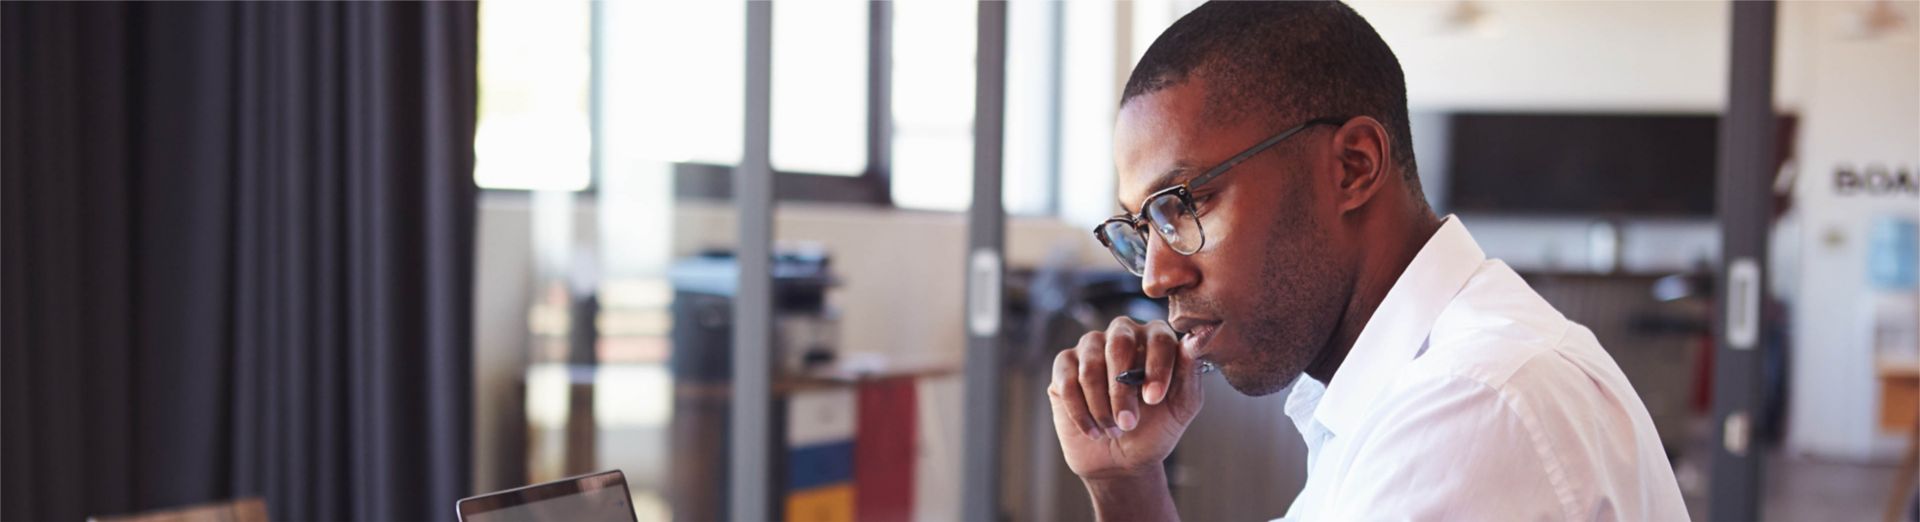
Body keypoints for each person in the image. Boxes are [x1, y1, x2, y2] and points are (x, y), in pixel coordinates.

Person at [1046, 2, 1689, 519]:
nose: (1158, 276)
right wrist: (1126, 481)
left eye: (1187, 205)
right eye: (1142, 228)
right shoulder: (1384, 396)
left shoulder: (1470, 402)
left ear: (1353, 167)